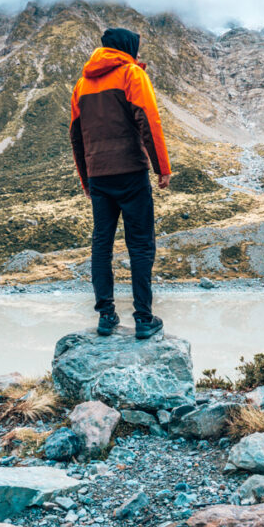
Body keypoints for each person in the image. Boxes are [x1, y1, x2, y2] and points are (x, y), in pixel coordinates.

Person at [70, 28, 172, 339]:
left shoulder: (81, 85)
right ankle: (143, 318)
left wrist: (86, 179)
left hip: (99, 175)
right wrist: (162, 167)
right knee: (140, 245)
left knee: (102, 244)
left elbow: (76, 136)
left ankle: (106, 317)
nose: (139, 55)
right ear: (128, 47)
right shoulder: (131, 74)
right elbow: (148, 120)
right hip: (131, 171)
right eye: (137, 49)